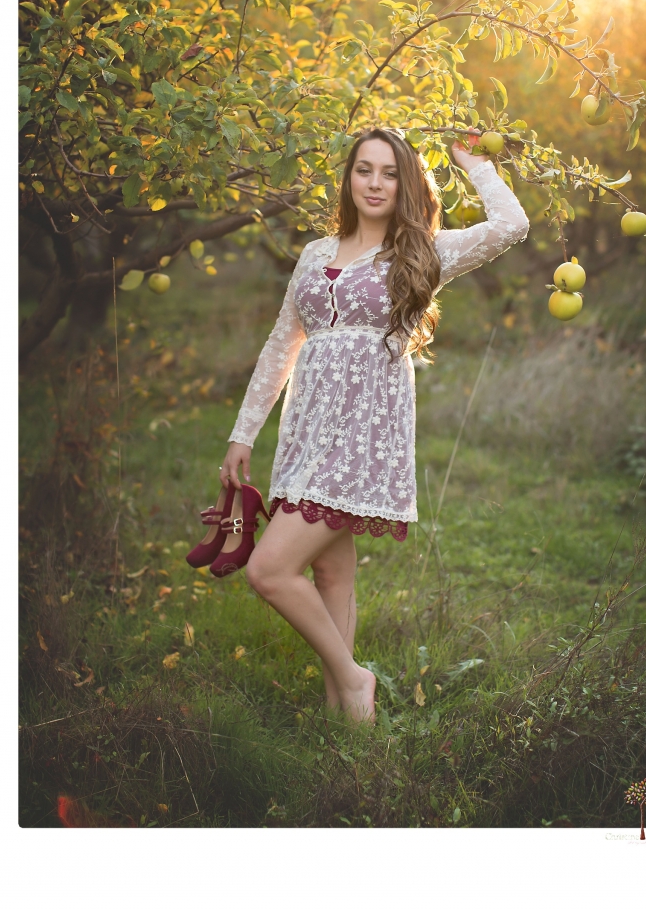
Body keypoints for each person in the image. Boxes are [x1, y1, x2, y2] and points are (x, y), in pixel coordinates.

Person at [217, 129, 529, 723]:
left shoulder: (423, 252)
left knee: (269, 570)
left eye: (389, 173)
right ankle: (347, 722)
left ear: (405, 183)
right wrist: (243, 433)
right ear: (349, 178)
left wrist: (473, 163)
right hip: (307, 432)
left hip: (363, 438)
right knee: (331, 572)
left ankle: (354, 679)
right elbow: (281, 346)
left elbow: (512, 225)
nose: (376, 183)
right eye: (365, 170)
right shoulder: (315, 253)